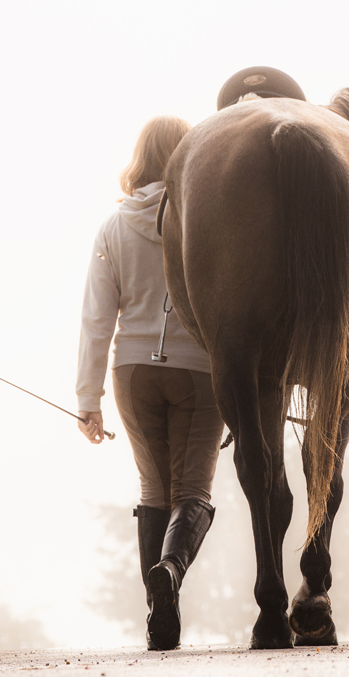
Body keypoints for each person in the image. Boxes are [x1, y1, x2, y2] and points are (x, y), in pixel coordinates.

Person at [75, 115, 222, 651]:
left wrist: (87, 399)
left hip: (132, 371)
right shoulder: (204, 218)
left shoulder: (113, 228)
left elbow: (97, 318)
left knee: (153, 490)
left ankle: (161, 620)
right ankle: (171, 571)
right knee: (194, 493)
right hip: (199, 369)